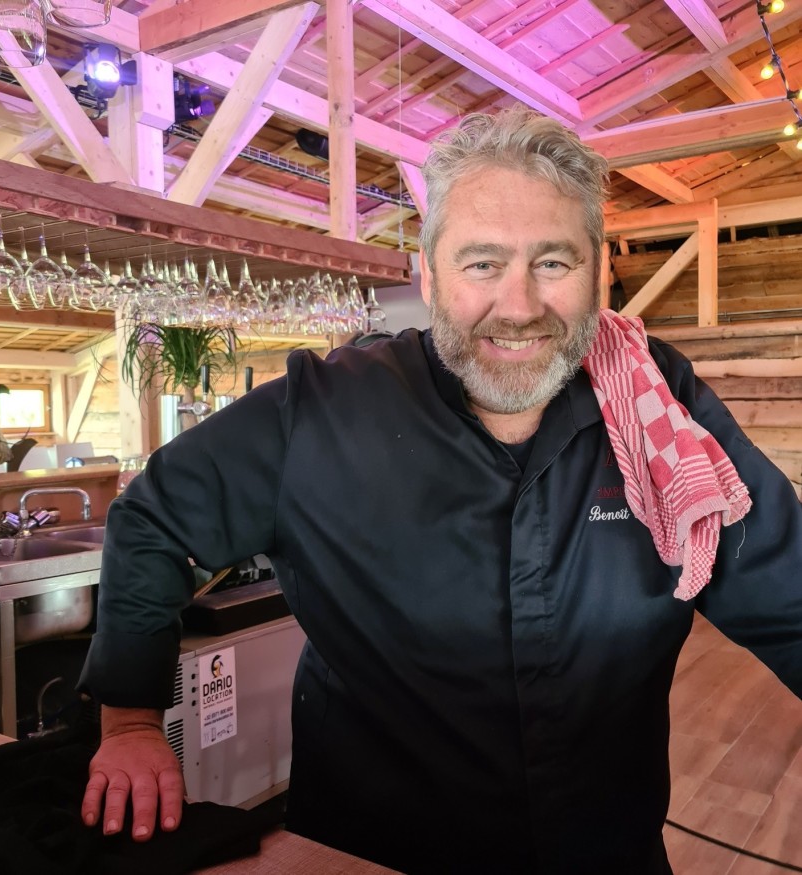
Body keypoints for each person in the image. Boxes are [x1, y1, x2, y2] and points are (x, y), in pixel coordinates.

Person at [77, 107, 802, 874]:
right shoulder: (322, 410)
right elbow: (154, 518)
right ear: (427, 275)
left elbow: (786, 594)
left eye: (553, 262)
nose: (518, 307)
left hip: (604, 853)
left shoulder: (659, 402)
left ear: (597, 273)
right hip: (367, 856)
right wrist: (130, 721)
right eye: (481, 263)